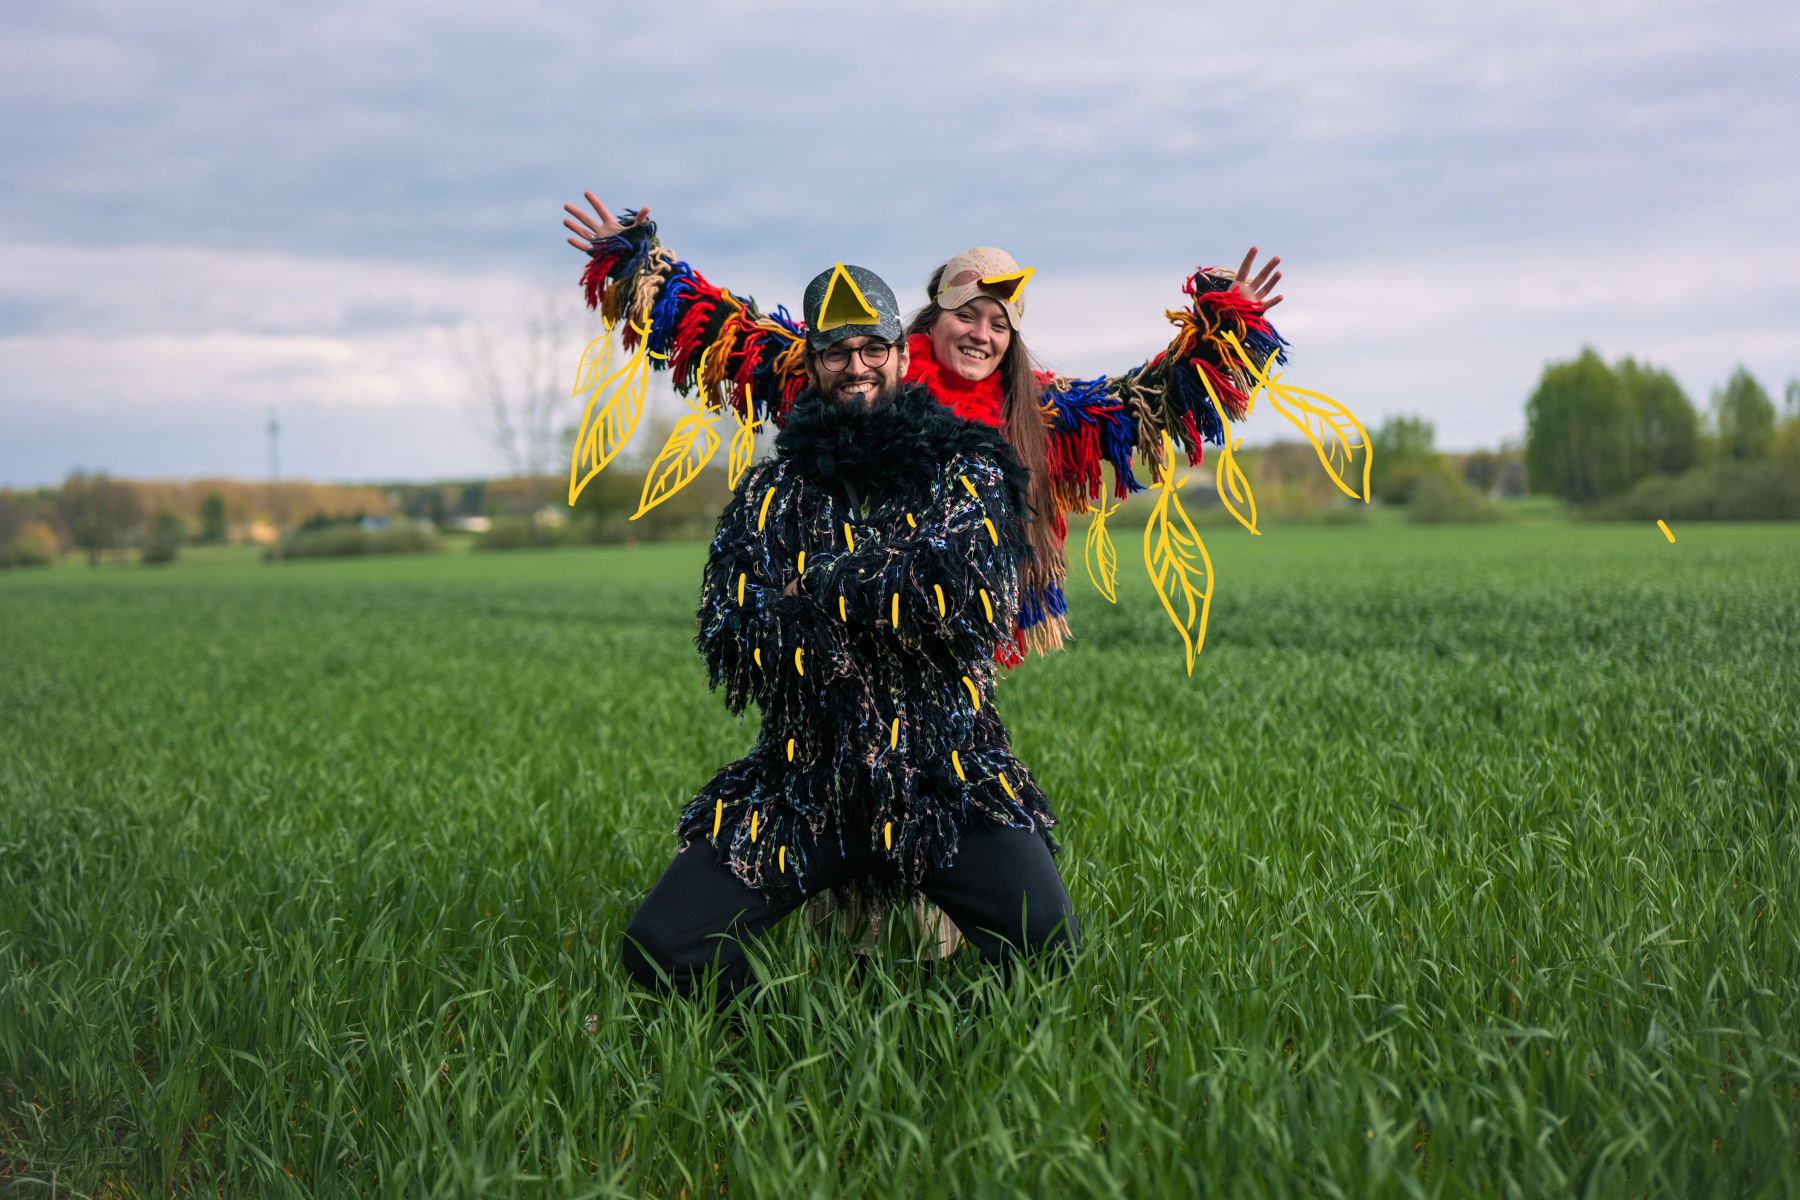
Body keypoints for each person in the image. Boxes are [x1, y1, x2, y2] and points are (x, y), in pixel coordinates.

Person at [616, 261, 1078, 999]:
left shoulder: (965, 465)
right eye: (837, 351)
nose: (856, 366)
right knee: (661, 947)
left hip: (943, 772)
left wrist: (821, 585)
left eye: (872, 348)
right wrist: (887, 594)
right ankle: (787, 1051)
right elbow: (733, 626)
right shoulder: (771, 491)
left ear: (901, 353)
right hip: (806, 777)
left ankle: (940, 1044)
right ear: (814, 364)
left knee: (1048, 943)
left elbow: (962, 590)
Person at [562, 194, 1290, 659]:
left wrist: (1224, 326)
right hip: (849, 625)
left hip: (958, 644)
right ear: (932, 320)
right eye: (967, 315)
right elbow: (734, 334)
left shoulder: (1044, 412)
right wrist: (638, 263)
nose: (981, 333)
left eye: (998, 323)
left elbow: (1148, 404)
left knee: (945, 831)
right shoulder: (871, 371)